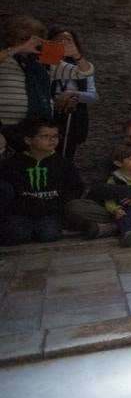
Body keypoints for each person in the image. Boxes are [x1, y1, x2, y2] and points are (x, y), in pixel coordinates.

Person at [0, 16, 95, 149]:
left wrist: (76, 55)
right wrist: (17, 49)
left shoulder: (44, 60)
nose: (29, 42)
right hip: (5, 128)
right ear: (10, 38)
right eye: (23, 38)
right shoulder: (4, 57)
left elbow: (85, 72)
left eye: (32, 38)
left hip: (38, 129)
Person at [1, 118, 84, 245]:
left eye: (55, 136)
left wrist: (60, 206)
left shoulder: (63, 163)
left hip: (50, 211)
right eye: (45, 136)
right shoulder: (14, 163)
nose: (52, 140)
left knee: (49, 235)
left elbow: (76, 187)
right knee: (17, 234)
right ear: (28, 140)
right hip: (21, 212)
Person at [47, 28, 98, 160]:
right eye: (59, 40)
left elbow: (93, 96)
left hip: (71, 116)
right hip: (47, 114)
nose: (64, 43)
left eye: (68, 40)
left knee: (66, 154)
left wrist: (73, 94)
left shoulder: (82, 67)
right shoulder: (43, 64)